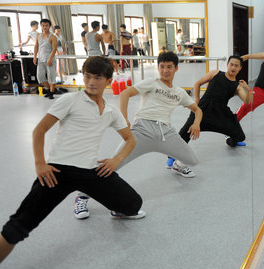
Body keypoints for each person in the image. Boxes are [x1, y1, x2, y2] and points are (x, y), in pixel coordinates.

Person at [0, 56, 145, 269]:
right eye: (87, 76)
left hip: (90, 171)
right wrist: (40, 163)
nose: (91, 82)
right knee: (18, 226)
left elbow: (130, 140)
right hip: (57, 172)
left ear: (108, 80)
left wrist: (115, 160)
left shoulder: (111, 111)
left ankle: (104, 203)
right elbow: (39, 131)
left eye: (97, 77)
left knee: (134, 205)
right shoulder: (70, 100)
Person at [73, 52, 202, 218]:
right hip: (142, 130)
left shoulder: (179, 92)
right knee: (112, 165)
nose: (165, 70)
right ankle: (81, 197)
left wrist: (196, 122)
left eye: (169, 67)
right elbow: (125, 93)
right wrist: (124, 119)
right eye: (162, 66)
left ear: (176, 68)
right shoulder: (152, 83)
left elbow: (197, 110)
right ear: (158, 68)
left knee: (193, 160)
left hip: (166, 133)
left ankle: (177, 166)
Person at [173, 56, 252, 166]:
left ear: (240, 68)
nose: (233, 67)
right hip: (203, 108)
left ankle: (230, 141)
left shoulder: (237, 87)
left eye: (236, 65)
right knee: (185, 132)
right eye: (231, 64)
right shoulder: (215, 73)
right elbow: (197, 83)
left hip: (221, 113)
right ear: (228, 65)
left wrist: (247, 90)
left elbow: (247, 101)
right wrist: (197, 100)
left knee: (240, 136)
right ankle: (172, 156)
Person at [33, 19, 58, 99]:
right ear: (41, 26)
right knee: (40, 76)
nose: (44, 27)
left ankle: (51, 93)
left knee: (51, 76)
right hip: (40, 59)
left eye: (46, 25)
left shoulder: (53, 37)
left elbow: (54, 49)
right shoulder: (38, 35)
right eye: (43, 25)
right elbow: (36, 46)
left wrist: (50, 59)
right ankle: (49, 90)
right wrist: (34, 57)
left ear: (49, 26)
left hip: (50, 59)